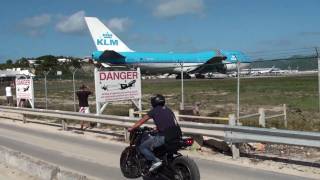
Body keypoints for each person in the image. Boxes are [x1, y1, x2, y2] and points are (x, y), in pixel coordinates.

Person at [128, 94, 182, 172]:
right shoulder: (168, 109)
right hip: (177, 135)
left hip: (165, 136)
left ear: (153, 102)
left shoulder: (154, 111)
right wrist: (158, 129)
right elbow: (169, 122)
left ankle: (156, 161)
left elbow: (141, 121)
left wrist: (132, 128)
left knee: (142, 147)